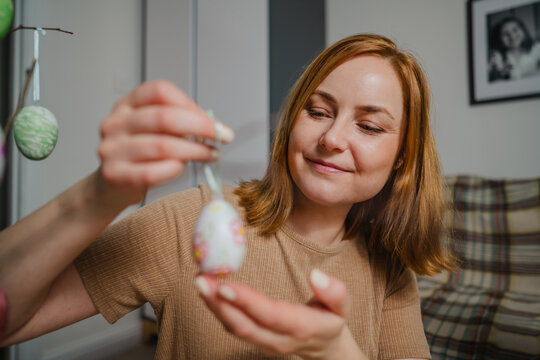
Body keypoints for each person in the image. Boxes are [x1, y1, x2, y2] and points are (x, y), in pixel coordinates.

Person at [0, 34, 454, 359]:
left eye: (370, 126)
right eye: (317, 111)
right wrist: (97, 196)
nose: (332, 138)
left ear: (401, 158)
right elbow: (10, 321)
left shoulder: (389, 271)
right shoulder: (191, 222)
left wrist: (337, 352)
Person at [488, 15, 540, 81]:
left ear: (523, 30)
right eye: (505, 34)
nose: (512, 36)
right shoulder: (498, 57)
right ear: (499, 39)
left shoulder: (537, 48)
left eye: (515, 30)